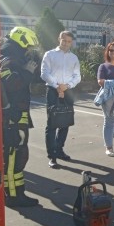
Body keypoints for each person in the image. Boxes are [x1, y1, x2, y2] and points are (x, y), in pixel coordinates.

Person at [0, 26, 40, 207]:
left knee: (19, 154)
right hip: (13, 116)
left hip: (17, 114)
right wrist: (27, 72)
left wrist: (29, 70)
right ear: (21, 42)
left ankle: (15, 192)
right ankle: (14, 196)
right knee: (13, 155)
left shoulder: (14, 58)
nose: (28, 51)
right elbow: (12, 84)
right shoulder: (8, 60)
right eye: (27, 47)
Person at [40, 31, 81, 168]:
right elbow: (44, 73)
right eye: (64, 40)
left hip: (68, 91)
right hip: (52, 91)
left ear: (71, 42)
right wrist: (57, 86)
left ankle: (59, 150)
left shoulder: (74, 58)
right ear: (59, 39)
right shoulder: (50, 54)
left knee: (65, 122)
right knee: (52, 124)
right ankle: (52, 156)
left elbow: (77, 76)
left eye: (69, 41)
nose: (66, 43)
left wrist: (67, 86)